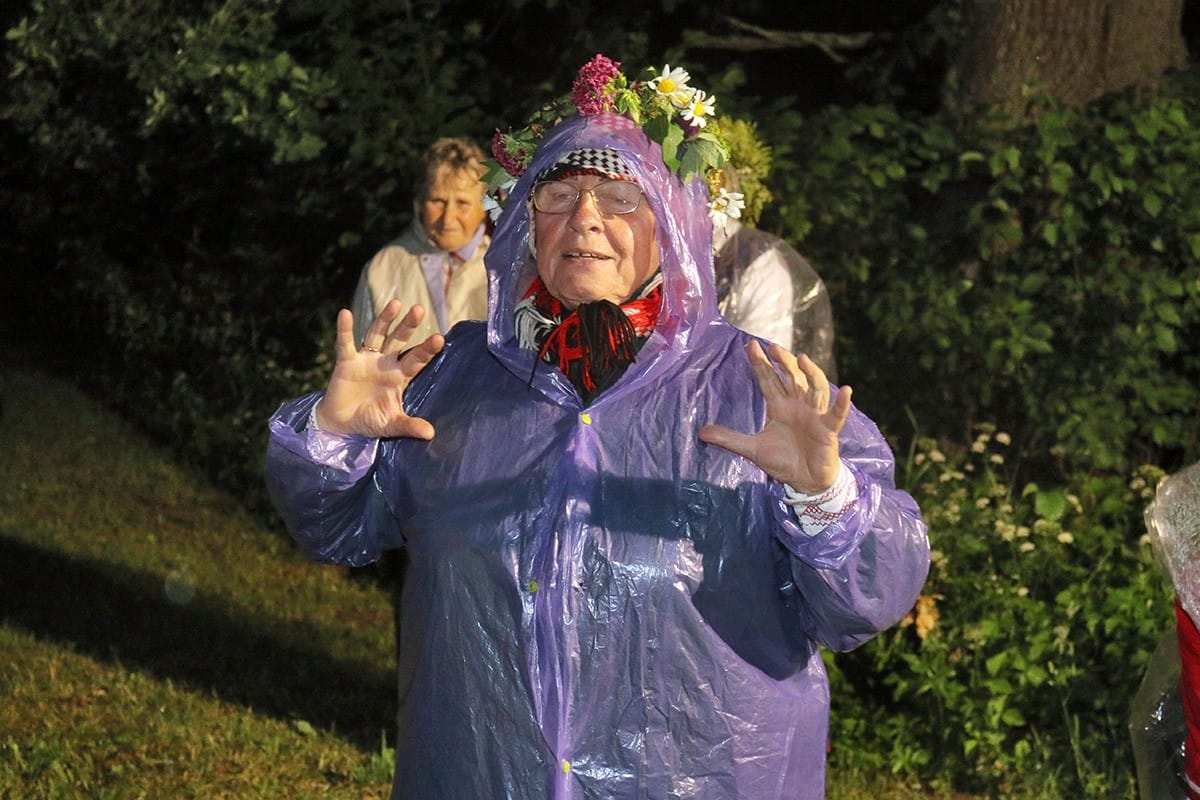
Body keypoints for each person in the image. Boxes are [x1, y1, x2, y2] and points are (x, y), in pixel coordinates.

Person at [266, 59, 929, 800]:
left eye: (621, 197)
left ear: (674, 227)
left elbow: (868, 600)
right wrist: (334, 435)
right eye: (559, 195)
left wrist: (824, 496)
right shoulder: (454, 380)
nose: (586, 218)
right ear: (524, 223)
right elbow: (331, 530)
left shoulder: (760, 390)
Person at [350, 136, 491, 346]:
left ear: (484, 208)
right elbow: (357, 358)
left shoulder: (505, 266)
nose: (448, 217)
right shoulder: (383, 267)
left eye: (462, 203)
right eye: (437, 201)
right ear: (419, 203)